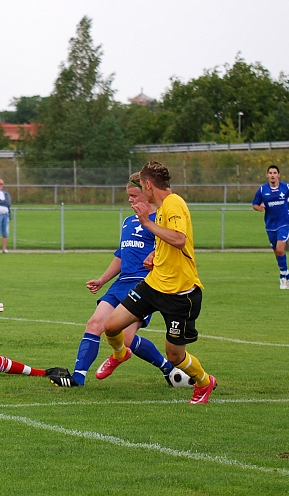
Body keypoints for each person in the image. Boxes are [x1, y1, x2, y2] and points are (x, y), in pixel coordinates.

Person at [48, 173, 192, 389]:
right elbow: (121, 255)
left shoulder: (160, 220)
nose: (130, 200)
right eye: (128, 196)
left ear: (147, 192)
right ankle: (78, 377)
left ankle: (167, 369)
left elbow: (170, 249)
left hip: (144, 284)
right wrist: (102, 280)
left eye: (134, 195)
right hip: (121, 283)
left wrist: (154, 257)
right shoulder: (128, 221)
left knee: (126, 338)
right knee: (94, 324)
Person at [100, 161, 216, 404]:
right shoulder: (163, 208)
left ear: (149, 185)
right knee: (111, 326)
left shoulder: (173, 204)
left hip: (180, 293)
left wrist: (147, 223)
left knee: (175, 356)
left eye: (142, 187)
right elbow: (168, 241)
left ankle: (204, 382)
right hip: (153, 285)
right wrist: (155, 254)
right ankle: (120, 354)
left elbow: (179, 239)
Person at [252, 165, 289, 289]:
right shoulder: (262, 190)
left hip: (284, 222)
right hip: (270, 225)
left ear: (278, 175)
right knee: (277, 253)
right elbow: (254, 204)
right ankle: (288, 275)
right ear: (267, 175)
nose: (272, 175)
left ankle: (282, 277)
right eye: (270, 173)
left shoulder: (286, 187)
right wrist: (259, 208)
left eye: (274, 173)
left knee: (280, 250)